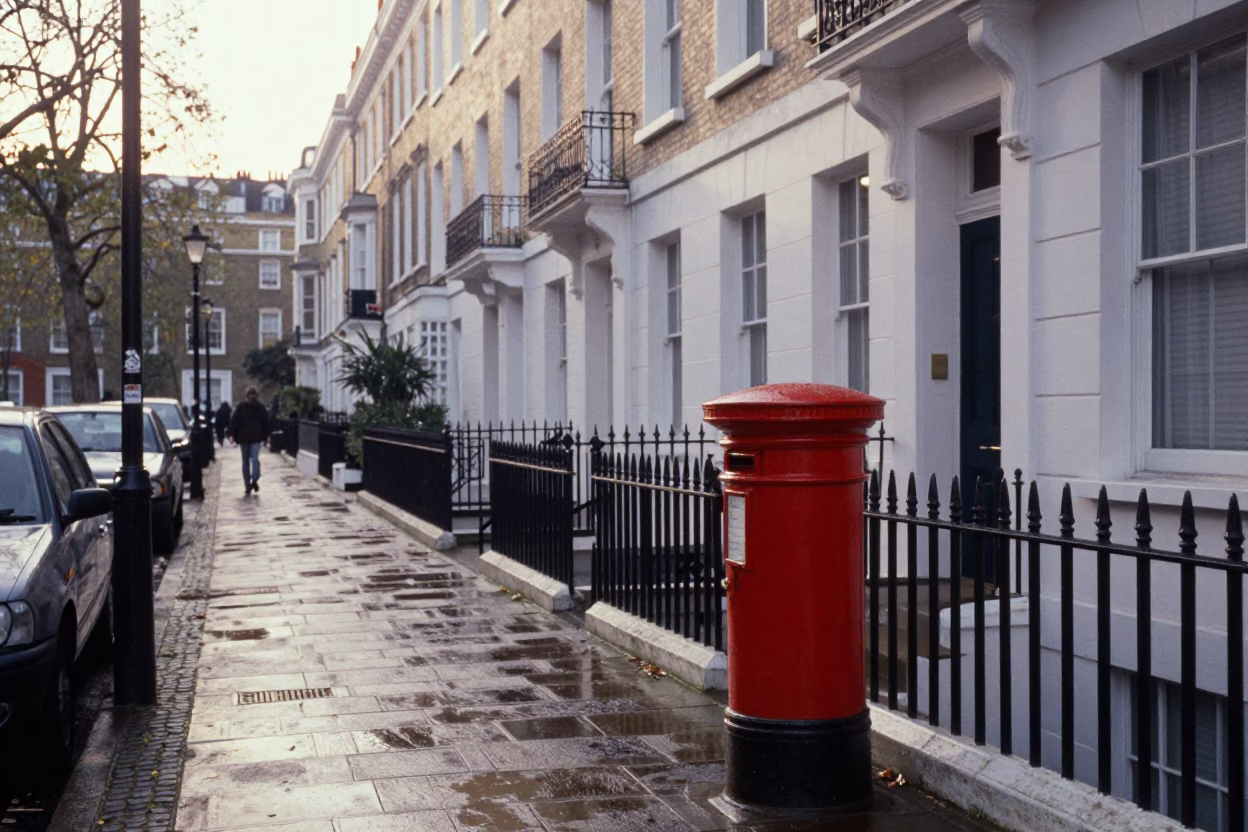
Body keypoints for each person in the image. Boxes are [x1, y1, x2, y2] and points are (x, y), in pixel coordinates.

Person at [227, 386, 271, 496]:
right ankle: (254, 479)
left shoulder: (241, 407)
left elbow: (234, 421)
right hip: (256, 437)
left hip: (243, 438)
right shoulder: (260, 407)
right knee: (255, 459)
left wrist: (231, 434)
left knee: (245, 462)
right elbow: (266, 422)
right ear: (256, 395)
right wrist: (267, 436)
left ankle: (247, 485)